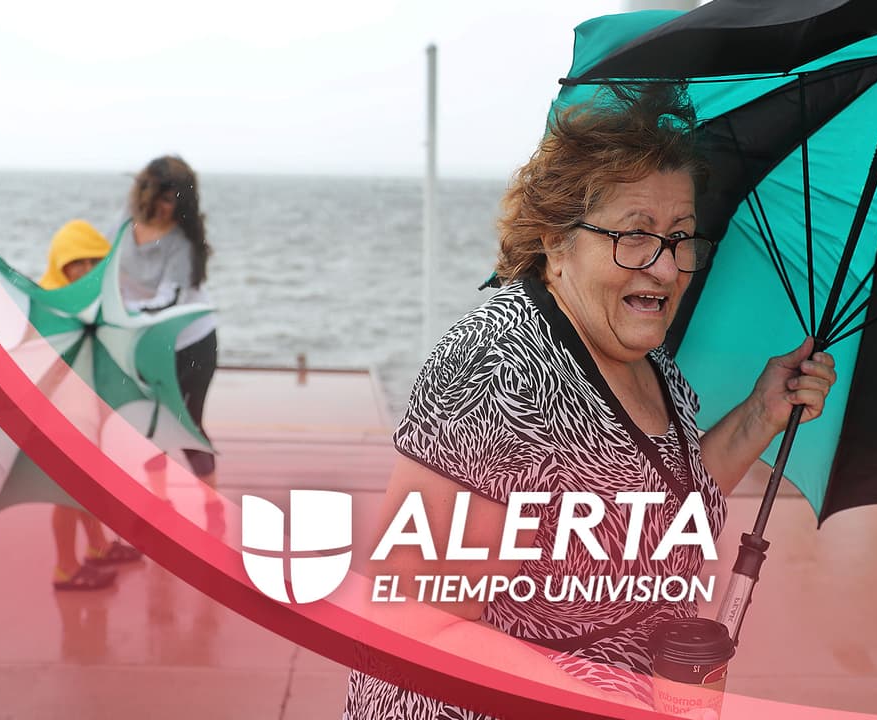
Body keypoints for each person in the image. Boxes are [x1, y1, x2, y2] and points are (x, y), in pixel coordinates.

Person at [344, 86, 837, 717]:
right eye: (636, 234)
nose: (665, 268)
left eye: (681, 237)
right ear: (553, 239)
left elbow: (657, 505)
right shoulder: (500, 371)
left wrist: (758, 415)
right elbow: (415, 630)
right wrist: (622, 695)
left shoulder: (647, 362)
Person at [114, 155, 221, 533]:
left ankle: (213, 511)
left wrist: (121, 311)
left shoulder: (184, 243)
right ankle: (160, 506)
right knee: (150, 426)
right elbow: (108, 274)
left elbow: (168, 301)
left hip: (191, 342)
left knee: (188, 427)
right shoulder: (124, 226)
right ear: (145, 193)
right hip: (146, 342)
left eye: (177, 199)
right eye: (162, 197)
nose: (167, 207)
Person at [40, 219, 143, 591]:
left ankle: (97, 547)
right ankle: (65, 568)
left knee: (87, 486)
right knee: (68, 492)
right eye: (75, 262)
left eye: (92, 262)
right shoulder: (49, 305)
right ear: (60, 264)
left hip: (86, 409)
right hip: (61, 414)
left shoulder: (94, 302)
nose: (84, 270)